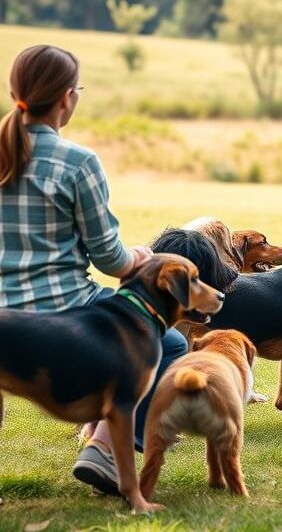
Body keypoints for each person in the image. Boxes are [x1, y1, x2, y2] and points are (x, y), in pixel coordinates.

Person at [0, 44, 177, 495]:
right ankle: (102, 449)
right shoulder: (78, 163)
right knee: (170, 341)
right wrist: (140, 254)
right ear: (65, 98)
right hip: (66, 310)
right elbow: (111, 261)